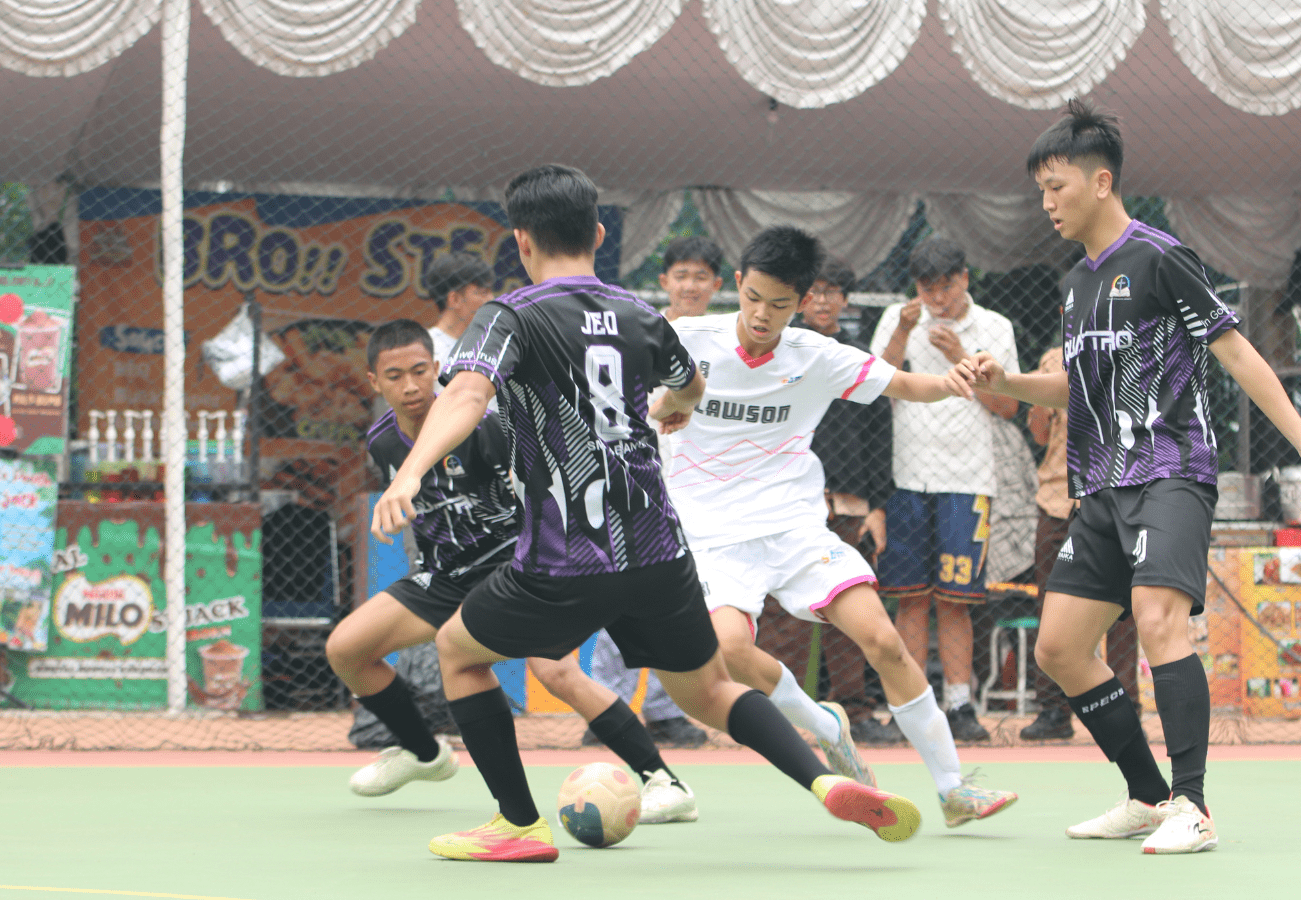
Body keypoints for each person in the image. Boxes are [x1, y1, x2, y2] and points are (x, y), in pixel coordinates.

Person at [373, 164, 922, 862]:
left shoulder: (512, 315)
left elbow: (467, 393)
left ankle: (517, 824)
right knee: (710, 690)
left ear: (522, 241)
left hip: (566, 556)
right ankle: (822, 780)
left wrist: (411, 471)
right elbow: (690, 383)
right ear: (600, 235)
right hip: (660, 550)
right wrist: (679, 407)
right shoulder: (641, 314)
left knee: (457, 648)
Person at [947, 99, 1301, 854]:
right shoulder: (1077, 283)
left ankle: (1192, 806)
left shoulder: (1161, 257)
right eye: (1041, 191)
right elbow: (1079, 388)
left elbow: (1235, 351)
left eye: (1057, 187)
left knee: (1159, 616)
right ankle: (1147, 795)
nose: (1048, 204)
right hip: (1102, 485)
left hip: (1171, 471)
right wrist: (1006, 381)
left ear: (1101, 182)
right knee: (1058, 647)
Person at [664, 225, 1019, 830]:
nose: (761, 315)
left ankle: (954, 788)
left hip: (795, 530)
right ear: (739, 285)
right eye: (753, 298)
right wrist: (664, 406)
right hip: (714, 538)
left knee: (882, 639)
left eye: (779, 304)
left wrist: (952, 380)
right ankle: (824, 723)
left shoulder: (815, 354)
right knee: (729, 650)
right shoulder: (686, 340)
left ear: (802, 301)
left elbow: (904, 383)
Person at [326, 319, 698, 825]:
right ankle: (423, 754)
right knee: (347, 649)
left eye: (419, 371)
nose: (410, 386)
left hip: (512, 568)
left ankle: (664, 781)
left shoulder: (485, 429)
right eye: (395, 376)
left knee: (555, 671)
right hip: (444, 576)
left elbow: (542, 492)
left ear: (437, 368)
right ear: (374, 382)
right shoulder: (383, 442)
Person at [872, 237, 1020, 742]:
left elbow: (1007, 408)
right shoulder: (897, 318)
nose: (936, 297)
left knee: (957, 598)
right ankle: (910, 707)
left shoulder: (994, 327)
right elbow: (874, 389)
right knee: (909, 598)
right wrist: (902, 331)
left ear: (965, 278)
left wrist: (962, 356)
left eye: (946, 286)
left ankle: (960, 704)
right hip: (905, 475)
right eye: (926, 287)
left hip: (969, 478)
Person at [584, 236, 726, 750]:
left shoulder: (726, 343)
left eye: (700, 276)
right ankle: (609, 710)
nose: (690, 285)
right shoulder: (637, 332)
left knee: (685, 601)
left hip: (708, 492)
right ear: (664, 281)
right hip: (639, 482)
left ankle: (668, 711)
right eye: (681, 275)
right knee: (619, 595)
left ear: (717, 284)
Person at [794, 257, 903, 745]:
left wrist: (876, 506)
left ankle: (854, 713)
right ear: (800, 298)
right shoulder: (781, 352)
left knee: (850, 611)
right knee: (781, 616)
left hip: (849, 506)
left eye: (832, 292)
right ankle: (779, 715)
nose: (822, 301)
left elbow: (880, 438)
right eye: (813, 291)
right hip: (790, 505)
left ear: (846, 299)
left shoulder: (859, 360)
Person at [1019, 346, 1138, 741]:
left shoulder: (1128, 347)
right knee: (1050, 605)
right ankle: (1053, 710)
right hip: (1057, 497)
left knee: (1122, 609)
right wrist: (1040, 401)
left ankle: (1126, 707)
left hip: (1115, 494)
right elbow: (1040, 435)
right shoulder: (1052, 358)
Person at [424, 251, 496, 363]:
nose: (492, 299)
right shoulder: (426, 349)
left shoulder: (492, 345)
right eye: (483, 292)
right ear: (455, 299)